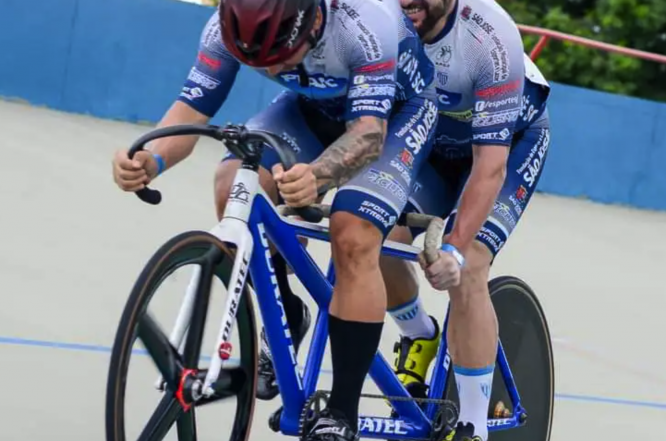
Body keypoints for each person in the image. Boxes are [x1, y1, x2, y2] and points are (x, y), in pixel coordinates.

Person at [111, 0, 443, 439]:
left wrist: (319, 176)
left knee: (353, 232)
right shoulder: (227, 27)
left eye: (279, 58)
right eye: (257, 63)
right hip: (311, 108)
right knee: (233, 182)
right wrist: (150, 159)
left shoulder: (366, 24)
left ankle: (341, 413)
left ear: (313, 21)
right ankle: (285, 310)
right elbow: (191, 109)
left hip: (394, 117)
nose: (270, 71)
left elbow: (367, 133)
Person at [380, 1, 553, 440]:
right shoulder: (379, 17)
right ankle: (419, 333)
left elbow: (488, 170)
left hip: (507, 147)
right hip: (436, 147)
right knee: (376, 231)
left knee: (469, 266)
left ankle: (473, 425)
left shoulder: (489, 37)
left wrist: (455, 247)